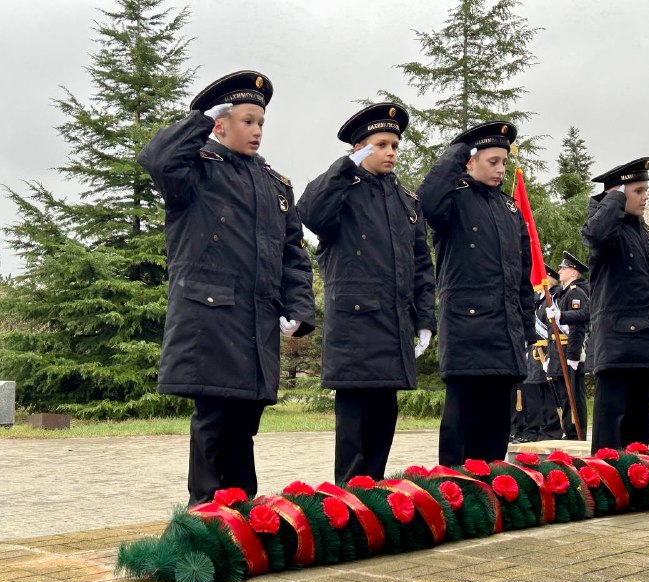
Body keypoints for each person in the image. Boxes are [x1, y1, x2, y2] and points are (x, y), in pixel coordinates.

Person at [138, 70, 316, 505]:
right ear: (220, 122)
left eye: (260, 123)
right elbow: (156, 159)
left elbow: (293, 252)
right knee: (214, 420)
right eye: (246, 120)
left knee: (244, 422)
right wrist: (199, 118)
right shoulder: (195, 170)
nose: (256, 130)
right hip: (211, 318)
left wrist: (298, 306)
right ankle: (205, 514)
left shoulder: (275, 184)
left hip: (256, 322)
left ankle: (241, 512)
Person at [296, 103, 436, 484]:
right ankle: (349, 500)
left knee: (383, 419)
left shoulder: (406, 201)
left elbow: (421, 264)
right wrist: (346, 167)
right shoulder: (342, 190)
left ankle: (372, 501)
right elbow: (309, 212)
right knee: (355, 426)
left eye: (395, 145)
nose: (391, 152)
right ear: (359, 148)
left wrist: (424, 319)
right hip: (356, 329)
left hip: (393, 327)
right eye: (382, 144)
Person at [417, 121, 536, 466]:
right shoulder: (453, 201)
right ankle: (455, 495)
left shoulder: (510, 210)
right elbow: (426, 200)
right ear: (470, 162)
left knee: (496, 430)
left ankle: (493, 494)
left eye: (503, 162)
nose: (500, 169)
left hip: (505, 335)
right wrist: (459, 147)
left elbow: (522, 280)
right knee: (460, 428)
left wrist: (526, 331)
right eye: (492, 161)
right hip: (467, 332)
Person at [581, 157, 649, 453]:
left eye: (645, 190)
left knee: (639, 426)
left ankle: (638, 481)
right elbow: (595, 235)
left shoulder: (641, 231)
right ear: (619, 193)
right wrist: (613, 200)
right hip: (618, 342)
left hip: (647, 339)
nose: (645, 197)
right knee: (612, 425)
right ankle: (607, 481)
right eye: (637, 191)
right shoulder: (608, 230)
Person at [545, 251, 591, 440]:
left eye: (563, 268)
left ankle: (576, 433)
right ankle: (569, 430)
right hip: (559, 351)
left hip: (569, 350)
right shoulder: (565, 293)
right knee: (564, 395)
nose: (560, 271)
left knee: (574, 396)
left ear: (573, 272)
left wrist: (573, 355)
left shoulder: (576, 293)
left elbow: (579, 325)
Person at [515, 264, 563, 442]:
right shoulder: (539, 300)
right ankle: (539, 430)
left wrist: (550, 354)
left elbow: (554, 329)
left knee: (548, 394)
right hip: (534, 352)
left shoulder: (553, 299)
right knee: (534, 394)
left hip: (546, 352)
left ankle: (551, 430)